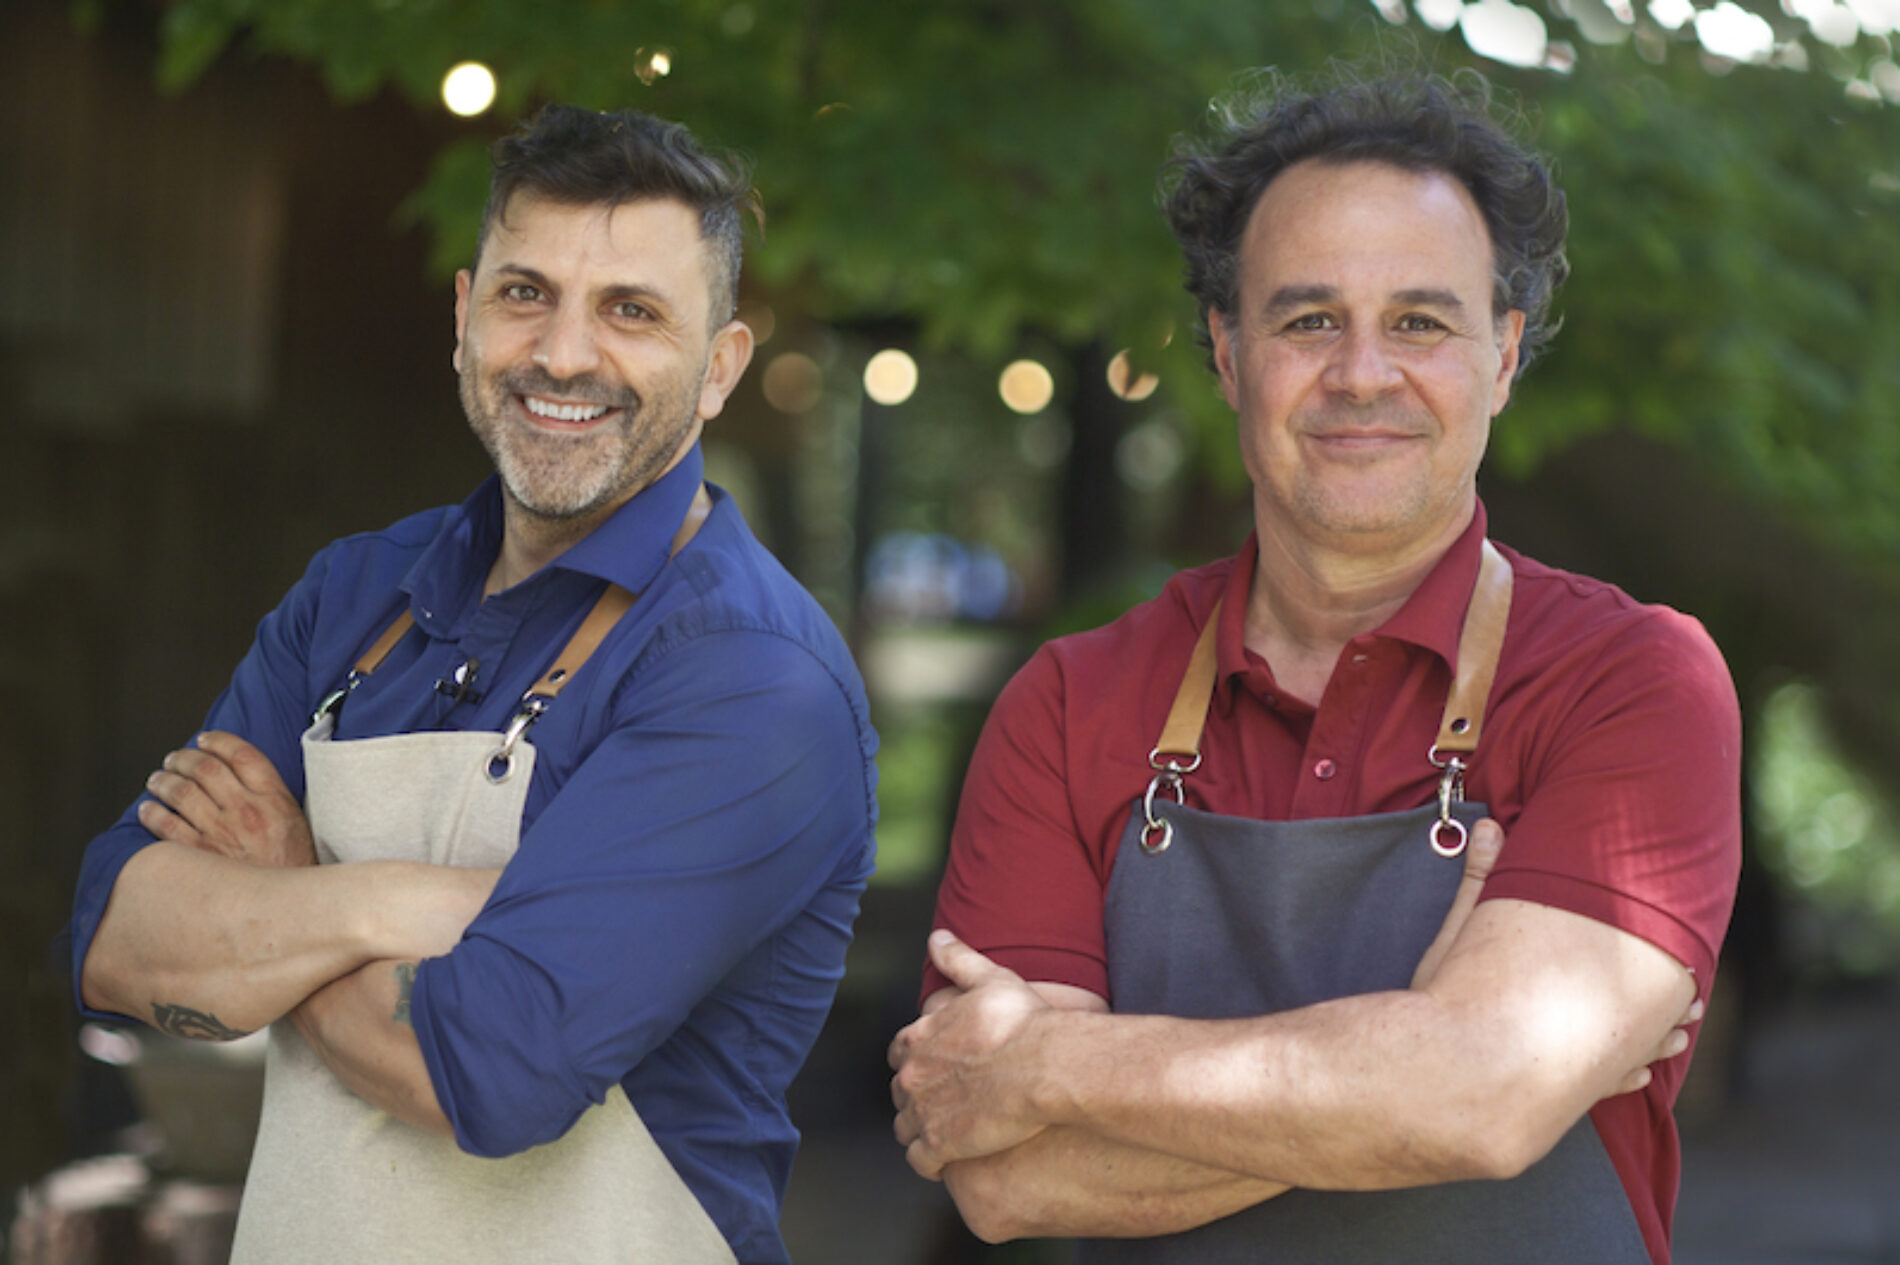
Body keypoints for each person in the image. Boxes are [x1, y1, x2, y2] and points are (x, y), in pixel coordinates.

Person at [889, 68, 1739, 1264]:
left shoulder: (1632, 679)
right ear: (1228, 356)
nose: (1360, 374)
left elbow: (1481, 1099)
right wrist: (1419, 1061)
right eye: (1305, 319)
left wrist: (1051, 1063)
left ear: (1500, 359)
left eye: (1419, 322)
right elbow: (1003, 1172)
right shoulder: (1074, 702)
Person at [70, 105, 877, 1265]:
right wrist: (382, 899)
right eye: (524, 293)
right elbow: (114, 936)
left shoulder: (752, 678)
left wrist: (275, 895)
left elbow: (477, 1071)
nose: (561, 354)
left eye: (632, 312)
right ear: (463, 317)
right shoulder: (353, 592)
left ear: (720, 368)